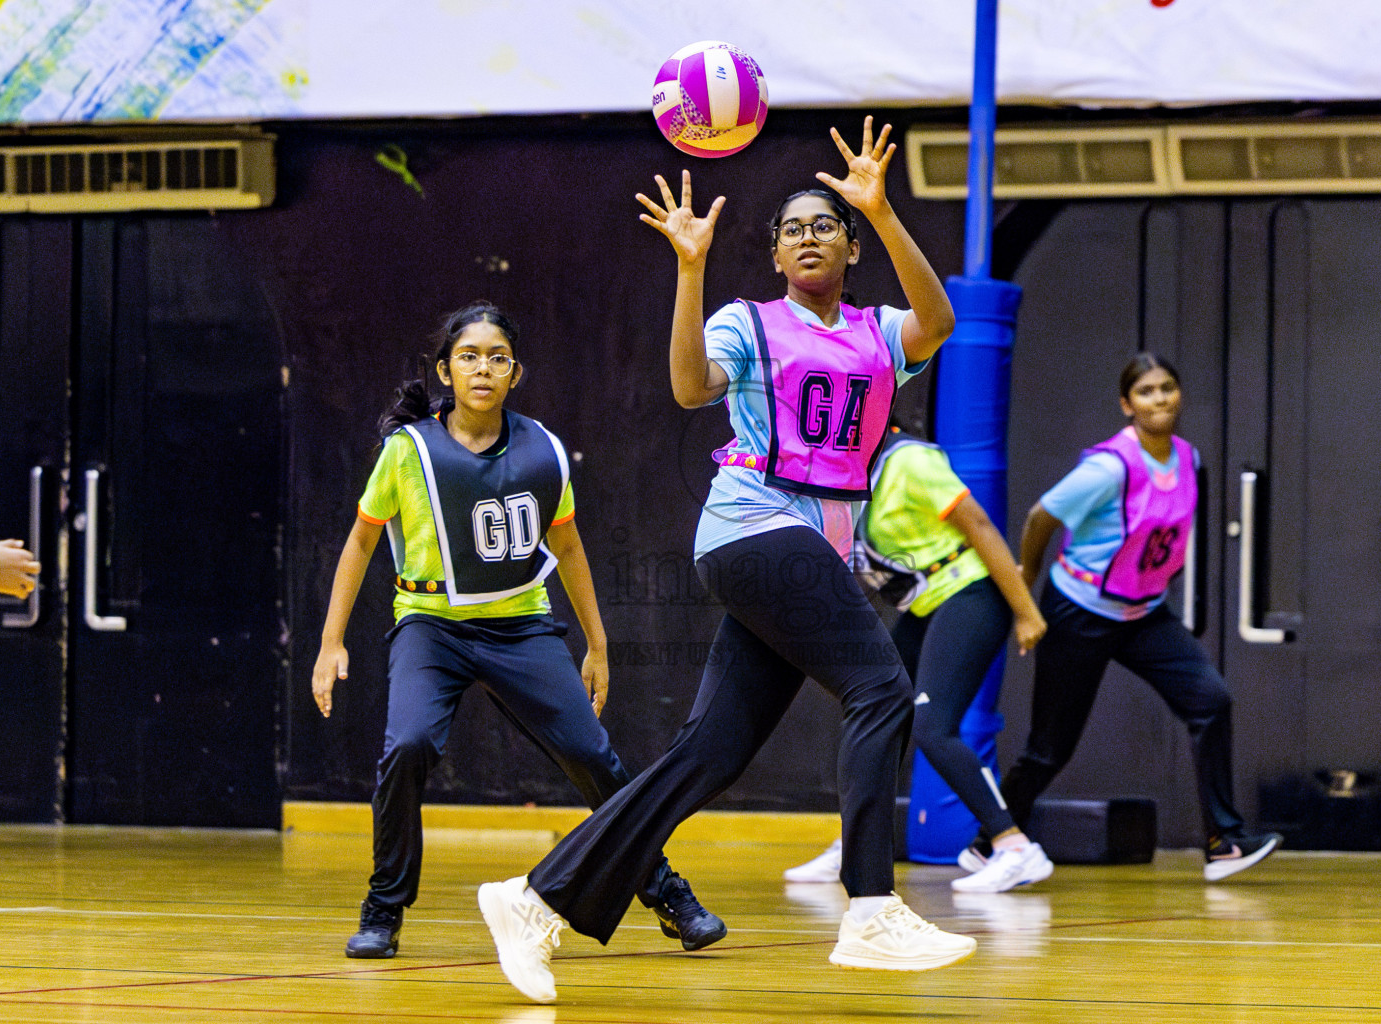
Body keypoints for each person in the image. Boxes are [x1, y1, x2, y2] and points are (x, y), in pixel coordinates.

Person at [477, 116, 976, 1006]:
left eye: (825, 224)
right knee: (881, 689)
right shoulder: (750, 321)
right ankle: (870, 908)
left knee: (711, 752)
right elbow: (688, 386)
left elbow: (939, 320)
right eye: (791, 228)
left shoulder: (876, 332)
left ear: (851, 247)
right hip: (754, 529)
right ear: (777, 256)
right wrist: (689, 266)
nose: (808, 236)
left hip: (812, 546)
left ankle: (534, 898)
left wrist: (882, 207)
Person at [312, 302, 724, 961]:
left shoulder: (543, 449)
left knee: (593, 757)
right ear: (446, 370)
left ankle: (668, 893)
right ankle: (383, 909)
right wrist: (331, 643)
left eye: (496, 357)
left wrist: (596, 642)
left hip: (520, 626)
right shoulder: (407, 451)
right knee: (409, 745)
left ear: (515, 372)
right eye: (469, 356)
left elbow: (569, 547)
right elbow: (361, 543)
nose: (483, 367)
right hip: (432, 626)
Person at [985, 352, 1281, 882]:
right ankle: (991, 842)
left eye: (1168, 387)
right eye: (1146, 391)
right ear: (1127, 405)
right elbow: (1039, 518)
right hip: (1080, 611)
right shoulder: (1108, 468)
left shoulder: (1188, 459)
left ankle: (1224, 842)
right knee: (1049, 749)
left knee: (1211, 700)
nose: (1160, 398)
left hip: (1142, 613)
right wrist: (1025, 600)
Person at [783, 425, 1055, 892]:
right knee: (873, 712)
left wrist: (1025, 612)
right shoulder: (850, 478)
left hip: (969, 596)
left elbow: (981, 527)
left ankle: (1015, 847)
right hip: (924, 605)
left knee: (933, 726)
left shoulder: (909, 461)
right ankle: (855, 843)